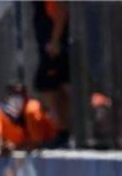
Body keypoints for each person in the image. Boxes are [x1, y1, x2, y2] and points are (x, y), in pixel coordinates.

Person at [32, 0, 70, 147]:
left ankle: (63, 130)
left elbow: (61, 12)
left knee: (47, 85)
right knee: (57, 87)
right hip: (48, 47)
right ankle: (62, 130)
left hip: (54, 48)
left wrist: (55, 40)